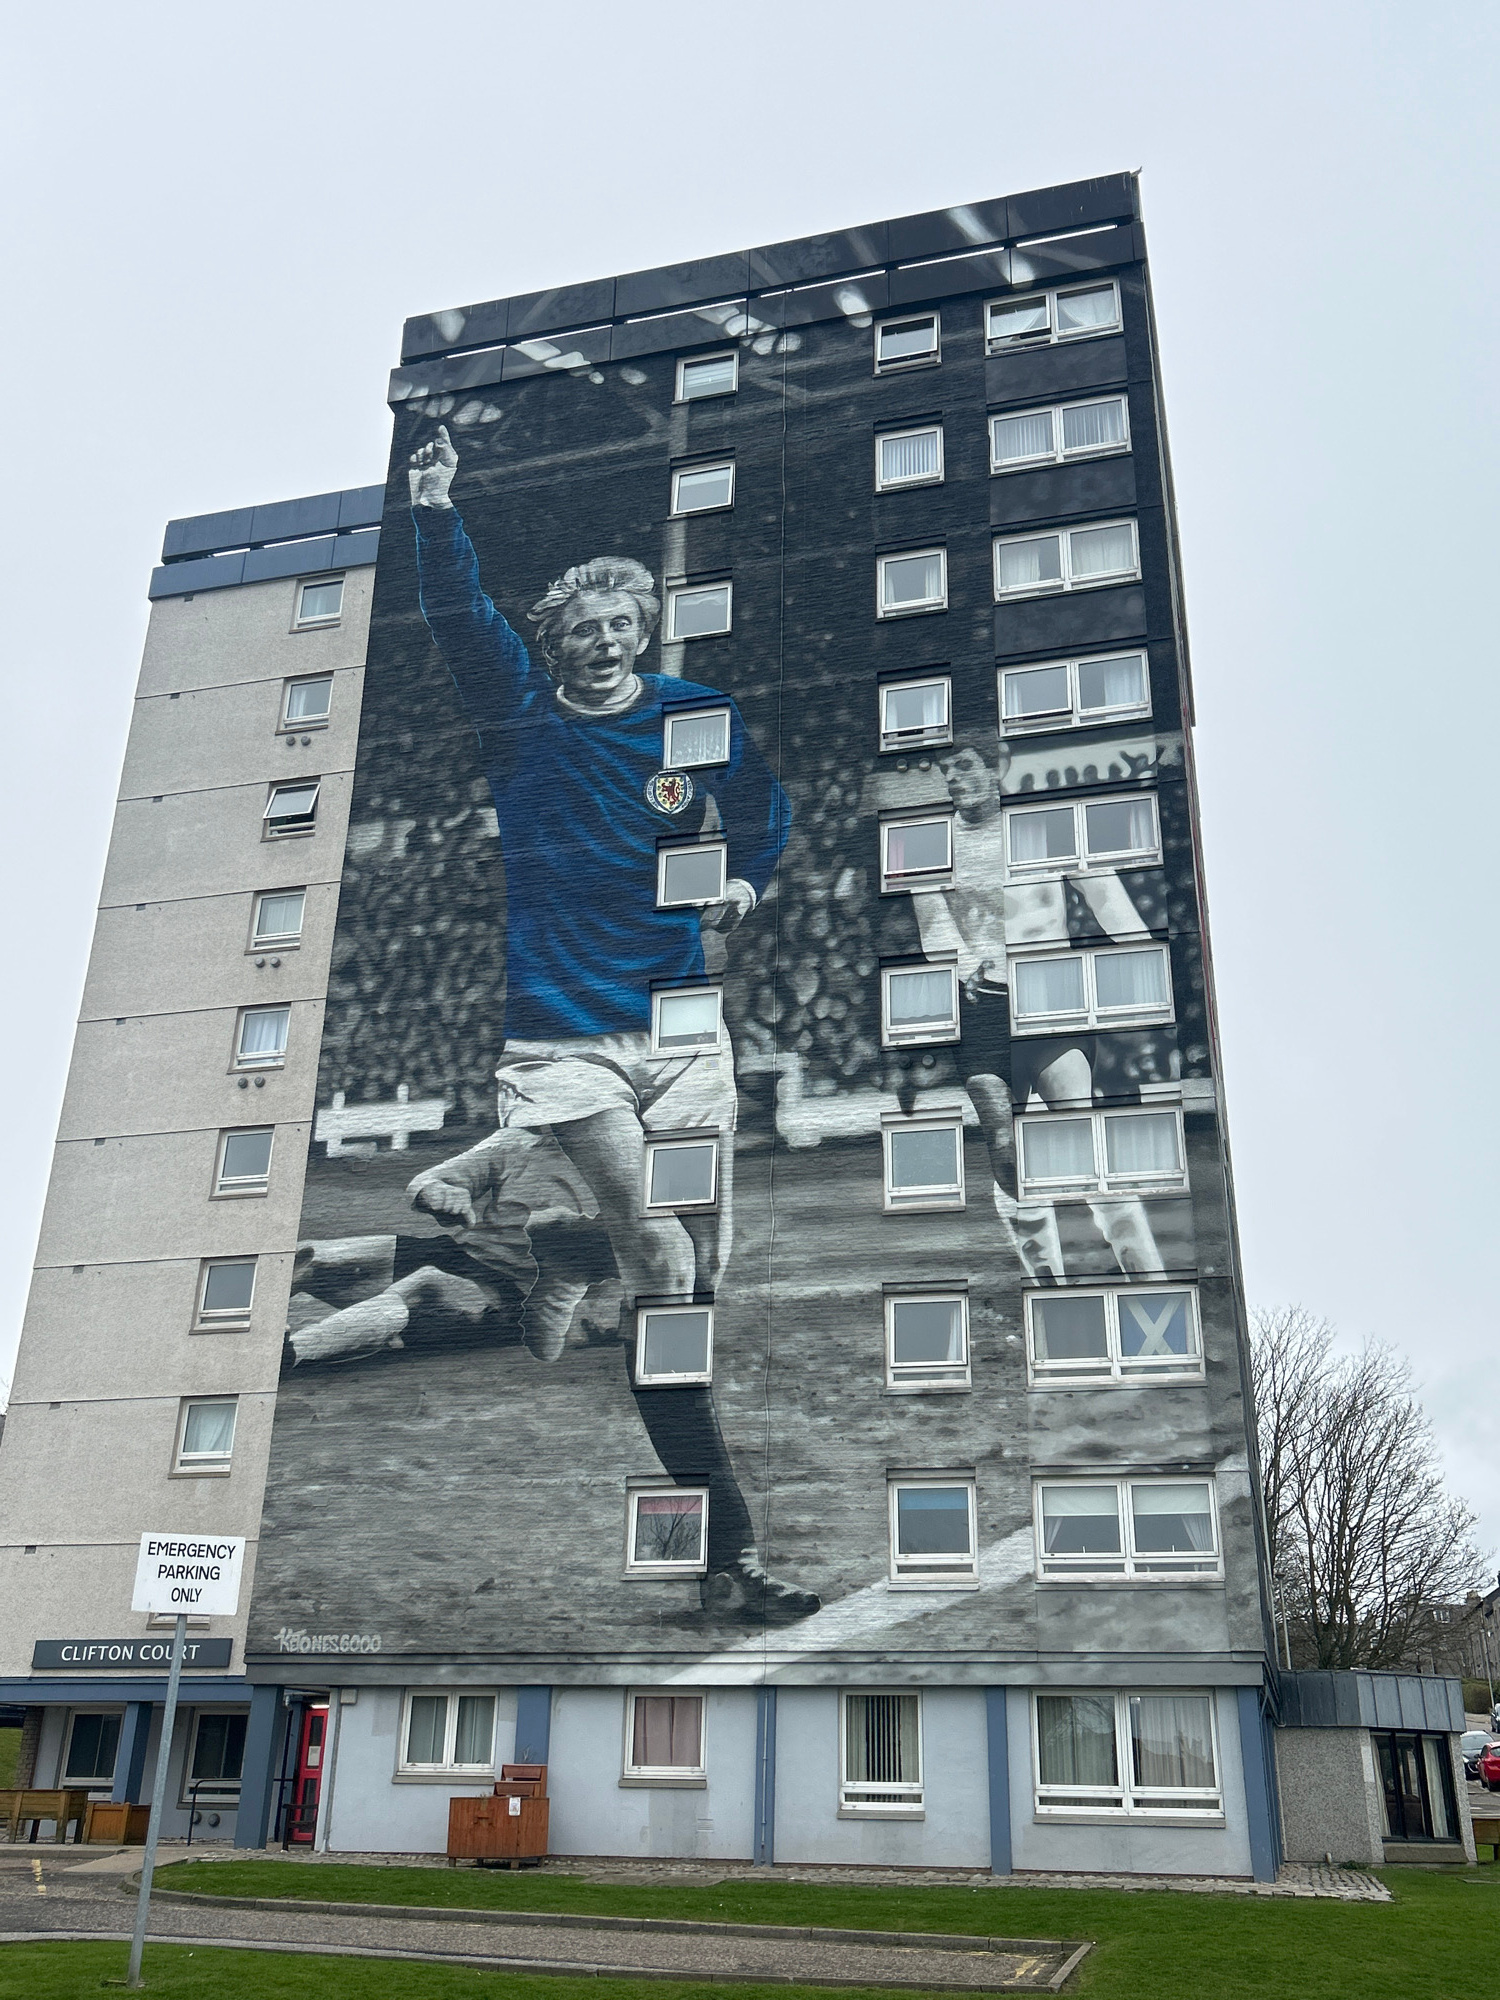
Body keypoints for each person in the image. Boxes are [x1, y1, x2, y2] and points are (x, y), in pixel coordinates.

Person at [405, 424, 815, 1623]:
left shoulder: (692, 715)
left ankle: (574, 1245)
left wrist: (745, 879)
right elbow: (460, 617)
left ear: (644, 630)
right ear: (557, 643)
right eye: (581, 627)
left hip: (681, 1027)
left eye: (620, 623)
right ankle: (728, 1552)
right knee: (667, 1265)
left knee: (698, 1274)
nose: (602, 639)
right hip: (566, 1037)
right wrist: (435, 509)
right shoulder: (522, 716)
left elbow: (764, 808)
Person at [903, 730, 1168, 1279]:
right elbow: (932, 920)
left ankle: (1148, 1275)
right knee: (1005, 1152)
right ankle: (1048, 1282)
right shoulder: (931, 843)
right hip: (982, 1008)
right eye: (946, 771)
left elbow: (1104, 894)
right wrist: (959, 963)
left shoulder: (1044, 827)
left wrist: (1145, 961)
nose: (954, 779)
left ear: (995, 767)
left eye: (964, 767)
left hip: (1050, 995)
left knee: (1079, 1134)